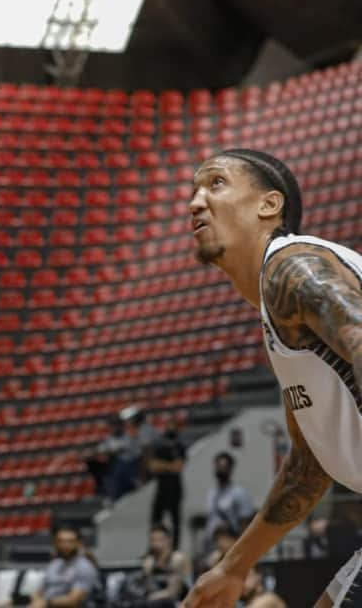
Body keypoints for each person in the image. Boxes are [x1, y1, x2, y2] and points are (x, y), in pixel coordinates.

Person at [182, 148, 362, 608]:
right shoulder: (279, 304)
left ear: (269, 205)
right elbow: (310, 466)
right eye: (194, 191)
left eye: (216, 184)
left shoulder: (291, 268)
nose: (196, 202)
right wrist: (234, 566)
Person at [28, 525, 100, 608]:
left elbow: (74, 601)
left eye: (70, 541)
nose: (65, 545)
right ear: (55, 542)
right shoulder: (54, 564)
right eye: (60, 541)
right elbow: (40, 591)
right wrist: (36, 599)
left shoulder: (85, 567)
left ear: (79, 543)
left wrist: (46, 603)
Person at [199, 452, 256, 556]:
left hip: (231, 544)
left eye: (224, 467)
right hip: (212, 545)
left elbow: (246, 524)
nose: (220, 470)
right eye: (218, 466)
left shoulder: (239, 493)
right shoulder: (211, 494)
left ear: (230, 469)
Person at [148, 415, 186, 547]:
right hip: (161, 486)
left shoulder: (179, 444)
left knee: (175, 520)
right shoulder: (159, 443)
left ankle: (175, 547)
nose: (170, 427)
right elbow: (153, 465)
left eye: (172, 424)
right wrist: (169, 466)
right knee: (155, 519)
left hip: (175, 487)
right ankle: (153, 547)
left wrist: (162, 466)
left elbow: (179, 466)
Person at [136, 525, 190, 606]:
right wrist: (147, 573)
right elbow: (149, 589)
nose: (156, 544)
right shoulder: (150, 561)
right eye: (153, 540)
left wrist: (149, 598)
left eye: (160, 540)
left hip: (180, 602)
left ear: (168, 540)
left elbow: (173, 592)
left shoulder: (177, 558)